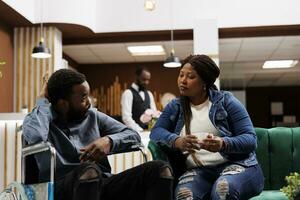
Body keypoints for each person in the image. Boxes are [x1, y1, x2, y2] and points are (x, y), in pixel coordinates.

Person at [22, 69, 173, 200]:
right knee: (88, 171)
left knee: (160, 169)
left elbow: (133, 135)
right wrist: (42, 100)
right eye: (83, 98)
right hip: (62, 187)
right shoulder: (39, 118)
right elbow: (36, 138)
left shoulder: (93, 116)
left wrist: (109, 141)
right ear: (63, 104)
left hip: (102, 182)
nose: (89, 102)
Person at [150, 55, 264, 200]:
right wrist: (177, 141)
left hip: (237, 165)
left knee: (223, 191)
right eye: (181, 75)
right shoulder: (175, 106)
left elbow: (250, 140)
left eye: (190, 77)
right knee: (184, 196)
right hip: (199, 170)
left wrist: (223, 144)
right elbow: (156, 132)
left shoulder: (227, 101)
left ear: (204, 82)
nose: (183, 81)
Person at [121, 66, 157, 132]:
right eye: (144, 79)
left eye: (148, 80)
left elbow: (154, 114)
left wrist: (152, 129)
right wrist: (140, 130)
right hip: (133, 132)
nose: (146, 82)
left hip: (148, 133)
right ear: (136, 77)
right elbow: (126, 117)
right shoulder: (128, 93)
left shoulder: (149, 94)